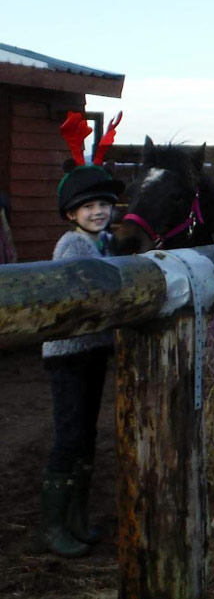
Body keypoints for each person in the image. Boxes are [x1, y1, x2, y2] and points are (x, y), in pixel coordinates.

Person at [38, 113, 125, 557]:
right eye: (89, 207)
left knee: (87, 434)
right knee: (70, 434)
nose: (98, 212)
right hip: (69, 353)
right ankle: (54, 524)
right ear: (72, 214)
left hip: (94, 351)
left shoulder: (107, 243)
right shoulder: (73, 247)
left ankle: (77, 517)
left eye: (104, 205)